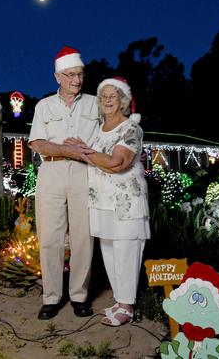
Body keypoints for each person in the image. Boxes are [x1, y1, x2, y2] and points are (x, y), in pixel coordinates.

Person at [65, 77, 150, 326]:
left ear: (123, 100)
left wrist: (86, 153)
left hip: (125, 203)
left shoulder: (131, 129)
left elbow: (116, 163)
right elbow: (96, 157)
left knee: (126, 250)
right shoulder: (98, 129)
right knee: (110, 251)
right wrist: (84, 149)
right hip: (101, 201)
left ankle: (128, 305)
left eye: (113, 95)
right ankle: (120, 299)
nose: (108, 100)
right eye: (103, 96)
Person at [28, 46, 100, 320]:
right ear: (57, 76)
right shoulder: (44, 106)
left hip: (84, 172)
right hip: (52, 172)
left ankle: (80, 296)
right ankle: (51, 297)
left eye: (80, 74)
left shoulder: (95, 103)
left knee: (83, 237)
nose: (76, 80)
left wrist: (90, 151)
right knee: (50, 238)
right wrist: (66, 149)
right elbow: (37, 143)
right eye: (70, 75)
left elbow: (110, 132)